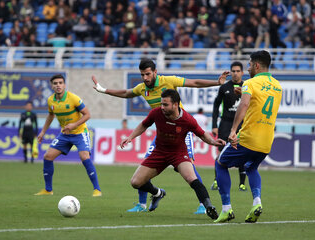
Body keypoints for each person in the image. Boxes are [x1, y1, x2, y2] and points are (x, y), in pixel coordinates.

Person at [92, 58, 228, 214]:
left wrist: (217, 83)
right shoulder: (142, 88)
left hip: (181, 131)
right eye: (142, 74)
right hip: (162, 135)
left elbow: (194, 83)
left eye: (148, 74)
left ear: (155, 72)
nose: (145, 78)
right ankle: (144, 202)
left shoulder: (168, 81)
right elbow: (126, 93)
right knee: (143, 169)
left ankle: (203, 204)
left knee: (188, 167)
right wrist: (104, 90)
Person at [120, 89, 225, 219]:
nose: (162, 107)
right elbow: (143, 125)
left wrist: (213, 142)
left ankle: (209, 206)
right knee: (135, 182)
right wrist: (130, 137)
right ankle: (157, 193)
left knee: (192, 178)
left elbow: (202, 134)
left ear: (175, 104)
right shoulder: (156, 113)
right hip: (159, 152)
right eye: (161, 104)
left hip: (178, 154)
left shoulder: (187, 119)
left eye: (165, 104)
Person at [213, 50, 282, 223]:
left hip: (249, 137)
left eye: (250, 64)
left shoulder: (250, 83)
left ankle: (226, 209)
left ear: (257, 65)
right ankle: (256, 203)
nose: (249, 67)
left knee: (220, 164)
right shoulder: (277, 86)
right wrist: (243, 93)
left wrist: (233, 130)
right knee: (251, 167)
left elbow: (244, 105)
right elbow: (259, 104)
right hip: (266, 141)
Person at [35, 74, 102, 197]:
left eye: (60, 83)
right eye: (55, 83)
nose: (58, 85)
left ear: (64, 85)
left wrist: (74, 125)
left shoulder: (73, 98)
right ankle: (48, 190)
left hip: (80, 132)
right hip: (65, 134)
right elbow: (51, 115)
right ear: (52, 86)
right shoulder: (51, 100)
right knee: (48, 156)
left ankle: (97, 189)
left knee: (84, 156)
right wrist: (43, 132)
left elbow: (87, 115)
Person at [211, 61, 247, 192]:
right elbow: (216, 106)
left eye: (238, 71)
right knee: (221, 152)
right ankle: (216, 180)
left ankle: (242, 184)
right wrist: (214, 125)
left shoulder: (247, 87)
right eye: (233, 71)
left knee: (242, 153)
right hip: (225, 123)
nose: (235, 73)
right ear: (230, 72)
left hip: (241, 124)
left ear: (242, 73)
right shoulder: (224, 87)